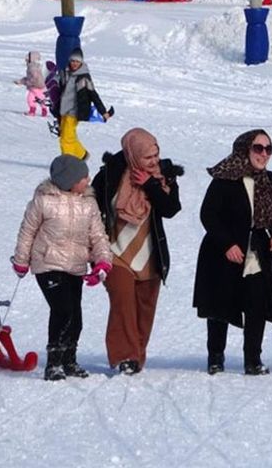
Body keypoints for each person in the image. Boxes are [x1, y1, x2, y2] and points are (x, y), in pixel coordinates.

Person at [193, 130, 272, 376]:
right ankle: (215, 356)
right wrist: (226, 244)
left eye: (269, 149)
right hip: (223, 252)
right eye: (258, 148)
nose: (264, 154)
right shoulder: (225, 177)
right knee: (219, 305)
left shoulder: (270, 180)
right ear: (245, 148)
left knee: (256, 305)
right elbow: (208, 214)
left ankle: (253, 359)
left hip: (256, 250)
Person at [12, 155, 113, 381]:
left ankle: (69, 359)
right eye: (82, 177)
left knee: (76, 317)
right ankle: (54, 363)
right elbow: (27, 231)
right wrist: (21, 260)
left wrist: (103, 262)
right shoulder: (44, 200)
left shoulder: (88, 203)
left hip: (75, 265)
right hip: (47, 263)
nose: (87, 180)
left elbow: (98, 235)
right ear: (68, 180)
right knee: (62, 309)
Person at [92, 128, 182, 375]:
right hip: (114, 252)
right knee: (122, 301)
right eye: (147, 157)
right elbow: (92, 207)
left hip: (150, 254)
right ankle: (124, 357)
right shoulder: (110, 174)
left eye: (156, 154)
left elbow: (171, 209)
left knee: (144, 307)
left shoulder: (164, 176)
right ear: (132, 155)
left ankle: (136, 356)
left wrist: (151, 185)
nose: (153, 161)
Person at [57, 47, 111, 160]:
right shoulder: (65, 73)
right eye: (72, 61)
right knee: (67, 135)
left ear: (81, 62)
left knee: (65, 139)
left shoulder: (84, 77)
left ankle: (67, 161)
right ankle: (82, 154)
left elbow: (93, 94)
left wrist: (103, 111)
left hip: (75, 111)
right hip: (64, 110)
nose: (74, 64)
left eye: (77, 61)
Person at [14, 51, 48, 117]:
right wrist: (21, 81)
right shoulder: (32, 66)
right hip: (33, 86)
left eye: (27, 59)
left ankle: (44, 109)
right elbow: (29, 77)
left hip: (36, 85)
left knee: (40, 97)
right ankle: (32, 110)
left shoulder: (33, 67)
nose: (26, 61)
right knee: (30, 98)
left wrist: (28, 82)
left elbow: (34, 77)